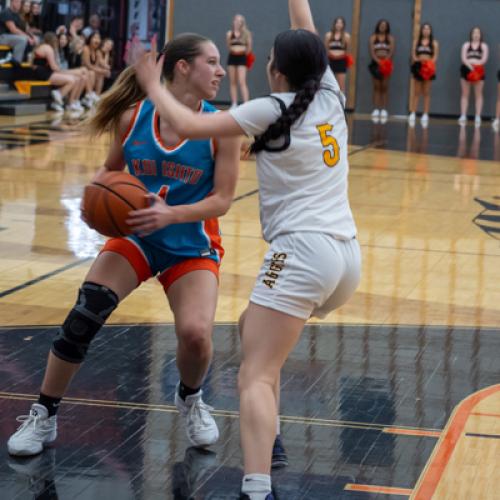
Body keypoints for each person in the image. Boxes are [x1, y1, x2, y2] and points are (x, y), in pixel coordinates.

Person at [134, 1, 361, 498]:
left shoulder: (270, 108)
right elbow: (308, 30)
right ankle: (272, 440)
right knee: (250, 331)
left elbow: (191, 128)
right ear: (319, 66)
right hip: (346, 258)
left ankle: (255, 487)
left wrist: (152, 86)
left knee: (256, 372)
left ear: (273, 68)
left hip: (303, 253)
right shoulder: (328, 93)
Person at [7, 33, 241, 458]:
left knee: (195, 336)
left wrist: (170, 214)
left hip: (190, 243)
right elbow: (110, 171)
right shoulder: (134, 118)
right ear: (183, 67)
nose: (221, 70)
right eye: (212, 61)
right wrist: (92, 197)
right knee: (85, 313)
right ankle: (44, 414)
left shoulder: (221, 127)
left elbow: (222, 201)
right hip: (136, 237)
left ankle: (190, 397)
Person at [31, 32, 85, 113]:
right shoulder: (48, 48)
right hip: (43, 73)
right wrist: (68, 72)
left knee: (76, 78)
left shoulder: (42, 46)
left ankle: (69, 102)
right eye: (56, 41)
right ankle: (59, 95)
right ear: (53, 41)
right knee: (72, 80)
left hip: (42, 72)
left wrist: (67, 72)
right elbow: (54, 67)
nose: (57, 43)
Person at [408, 23, 439, 127]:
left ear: (430, 31)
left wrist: (428, 64)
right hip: (418, 67)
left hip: (429, 67)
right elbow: (413, 55)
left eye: (428, 29)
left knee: (426, 92)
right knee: (416, 91)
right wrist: (418, 61)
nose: (426, 30)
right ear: (421, 30)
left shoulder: (434, 43)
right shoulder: (416, 42)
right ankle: (413, 112)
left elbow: (435, 57)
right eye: (424, 29)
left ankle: (425, 114)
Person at [459, 27, 489, 127]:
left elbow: (484, 59)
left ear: (480, 35)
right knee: (465, 94)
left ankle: (478, 116)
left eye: (478, 33)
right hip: (466, 69)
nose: (476, 34)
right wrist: (470, 67)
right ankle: (463, 115)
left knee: (478, 94)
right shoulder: (466, 45)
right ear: (471, 34)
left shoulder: (483, 46)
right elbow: (463, 58)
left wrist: (476, 68)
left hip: (478, 70)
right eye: (474, 33)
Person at [368, 19, 395, 123]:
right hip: (376, 63)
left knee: (384, 87)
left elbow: (391, 51)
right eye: (381, 25)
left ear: (387, 27)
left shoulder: (390, 38)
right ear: (378, 26)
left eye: (385, 25)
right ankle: (376, 109)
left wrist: (385, 61)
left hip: (386, 64)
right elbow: (371, 51)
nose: (382, 27)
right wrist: (378, 61)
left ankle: (383, 109)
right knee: (376, 87)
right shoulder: (373, 38)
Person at [226, 14, 252, 107]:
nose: (237, 22)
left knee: (242, 81)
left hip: (242, 58)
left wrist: (242, 51)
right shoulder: (229, 33)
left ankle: (246, 103)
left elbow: (249, 48)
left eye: (240, 21)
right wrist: (234, 49)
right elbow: (229, 46)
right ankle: (234, 103)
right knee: (233, 81)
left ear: (242, 23)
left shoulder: (246, 34)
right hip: (232, 58)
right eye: (236, 20)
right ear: (233, 21)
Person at [324, 16, 351, 93]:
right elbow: (325, 50)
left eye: (341, 23)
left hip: (341, 61)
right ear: (334, 24)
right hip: (330, 61)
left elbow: (348, 51)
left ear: (343, 25)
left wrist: (340, 56)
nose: (339, 24)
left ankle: (341, 104)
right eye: (337, 22)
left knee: (341, 85)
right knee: (329, 84)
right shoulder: (328, 35)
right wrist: (332, 56)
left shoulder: (346, 36)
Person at [82, 31, 110, 96]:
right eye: (95, 38)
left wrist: (106, 54)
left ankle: (97, 95)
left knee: (100, 74)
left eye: (98, 38)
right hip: (84, 70)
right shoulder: (86, 48)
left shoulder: (97, 51)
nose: (97, 40)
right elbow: (88, 66)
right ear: (90, 39)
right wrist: (101, 71)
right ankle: (89, 95)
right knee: (92, 73)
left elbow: (103, 65)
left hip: (91, 70)